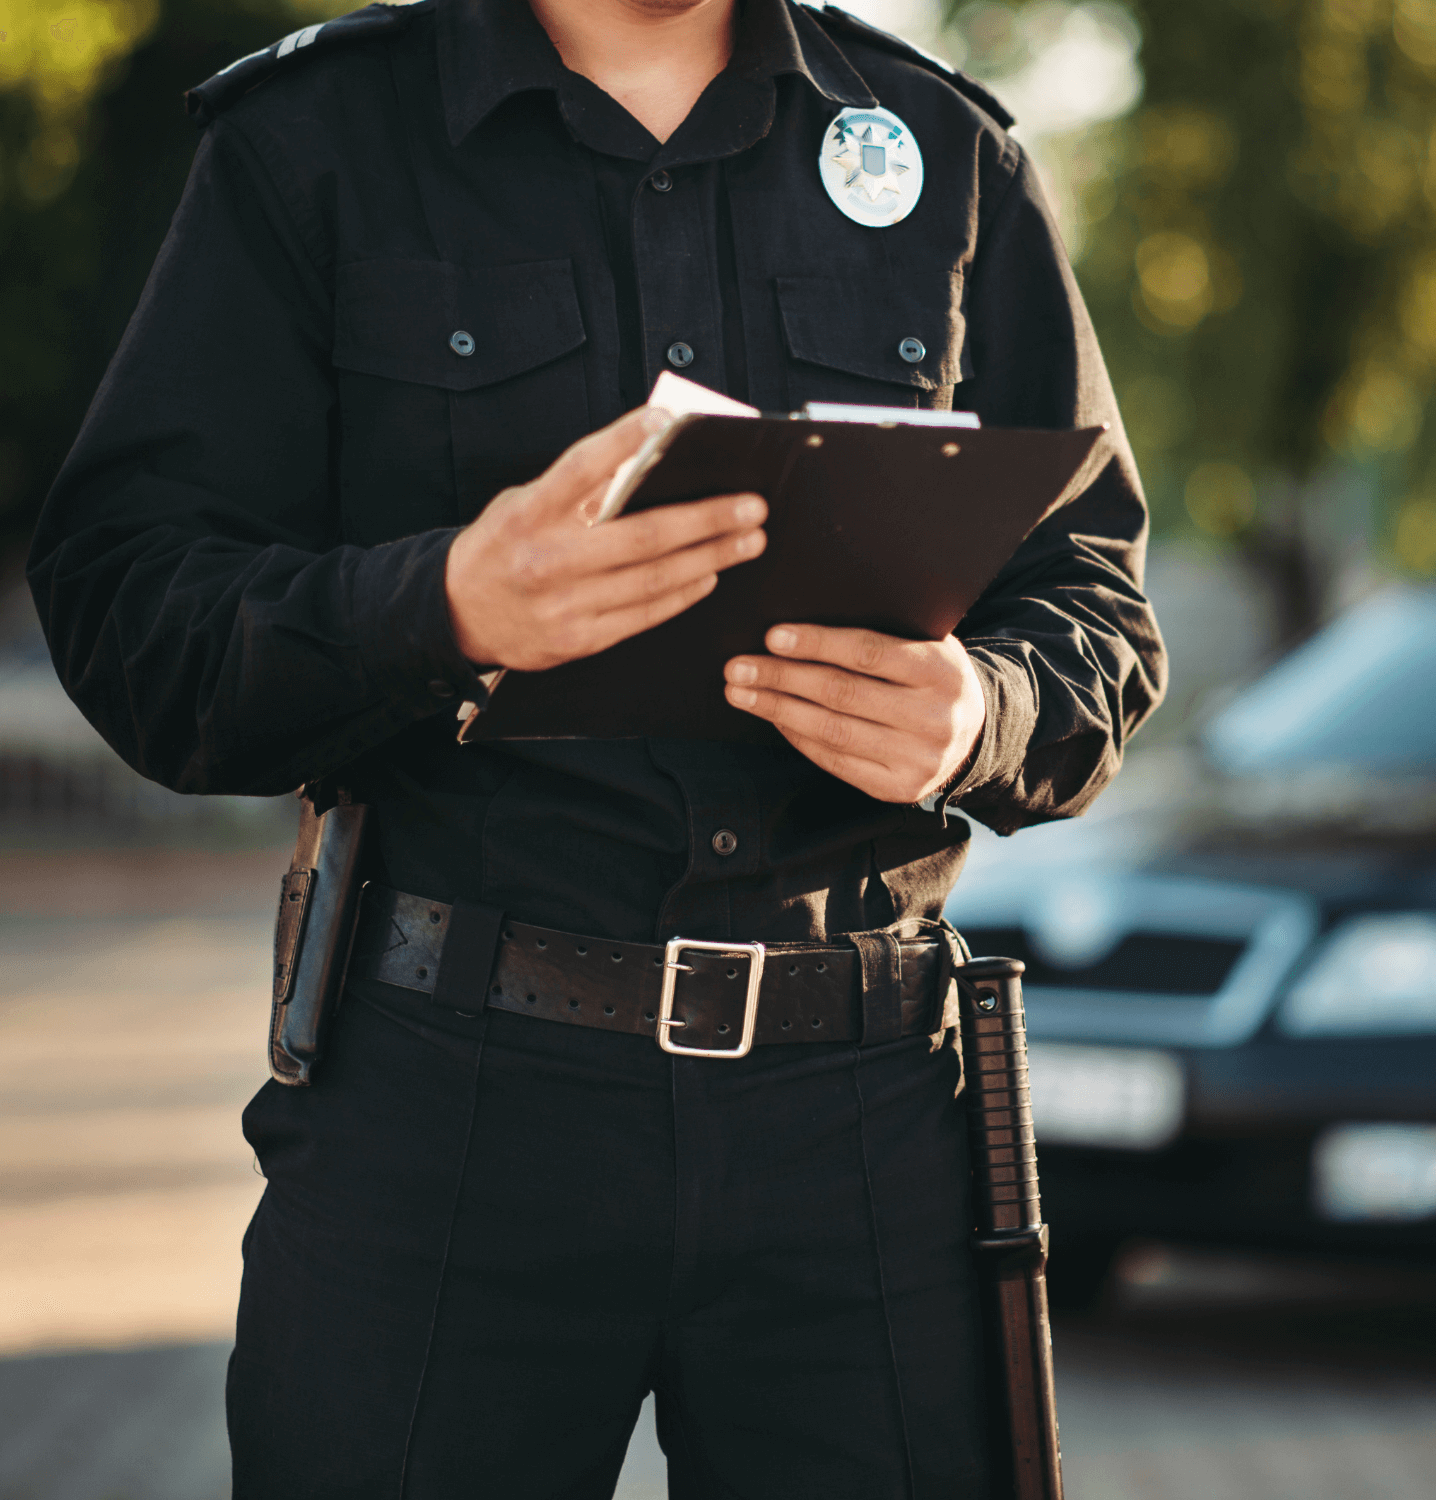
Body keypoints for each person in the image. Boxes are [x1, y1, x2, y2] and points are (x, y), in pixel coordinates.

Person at [28, 0, 1166, 1494]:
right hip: (448, 1109)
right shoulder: (312, 141)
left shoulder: (946, 150)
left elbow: (1099, 607)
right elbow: (130, 610)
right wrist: (441, 605)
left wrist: (982, 713)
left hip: (870, 1120)